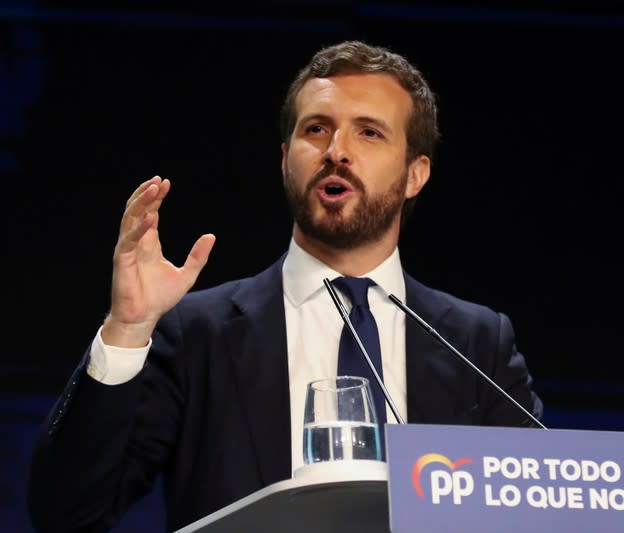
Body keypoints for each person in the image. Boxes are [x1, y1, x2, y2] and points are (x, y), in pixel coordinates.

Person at [27, 40, 544, 533]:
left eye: (369, 132)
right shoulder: (196, 333)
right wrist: (126, 329)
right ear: (284, 159)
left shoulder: (477, 344)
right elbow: (68, 516)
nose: (336, 151)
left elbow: (540, 511)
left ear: (415, 174)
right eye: (316, 129)